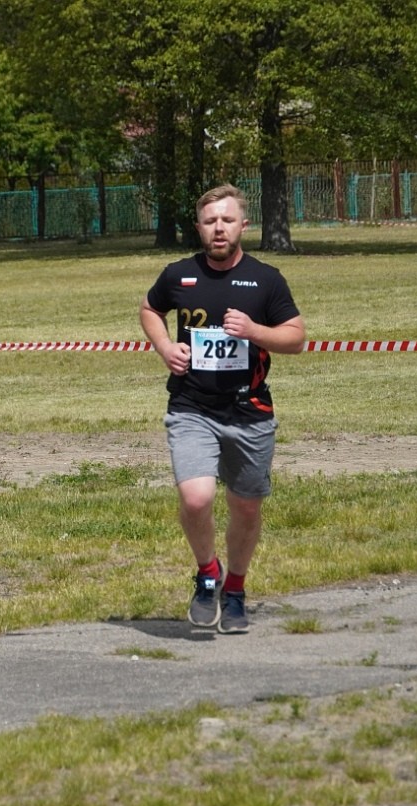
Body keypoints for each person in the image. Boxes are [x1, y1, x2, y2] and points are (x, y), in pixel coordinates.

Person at [139, 184, 305, 634]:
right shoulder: (179, 274)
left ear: (242, 226)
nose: (218, 229)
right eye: (210, 221)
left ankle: (235, 589)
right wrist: (164, 347)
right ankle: (207, 574)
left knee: (245, 507)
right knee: (197, 498)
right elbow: (150, 309)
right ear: (198, 226)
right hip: (191, 406)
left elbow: (295, 338)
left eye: (227, 220)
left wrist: (254, 330)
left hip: (249, 411)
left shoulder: (266, 279)